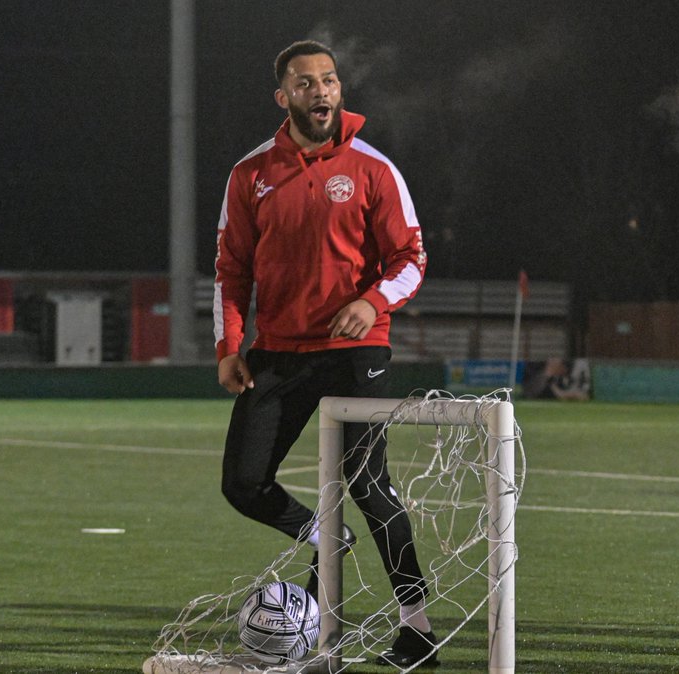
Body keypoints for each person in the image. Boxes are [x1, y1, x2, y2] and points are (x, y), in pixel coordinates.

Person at [213, 40, 438, 669]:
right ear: (283, 97)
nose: (321, 92)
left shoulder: (373, 167)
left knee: (368, 482)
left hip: (354, 349)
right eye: (306, 83)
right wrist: (231, 346)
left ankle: (417, 629)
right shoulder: (249, 174)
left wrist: (371, 301)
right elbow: (230, 271)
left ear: (340, 90)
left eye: (330, 81)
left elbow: (411, 260)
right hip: (277, 354)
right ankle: (325, 538)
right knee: (242, 483)